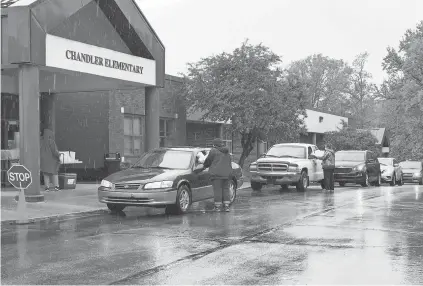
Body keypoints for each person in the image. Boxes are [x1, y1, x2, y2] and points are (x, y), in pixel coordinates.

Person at [203, 138, 233, 212]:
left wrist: (205, 166)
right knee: (226, 190)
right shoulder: (227, 151)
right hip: (227, 174)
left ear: (214, 144)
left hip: (216, 174)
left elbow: (208, 160)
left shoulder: (213, 151)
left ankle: (218, 207)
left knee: (217, 190)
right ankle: (226, 206)